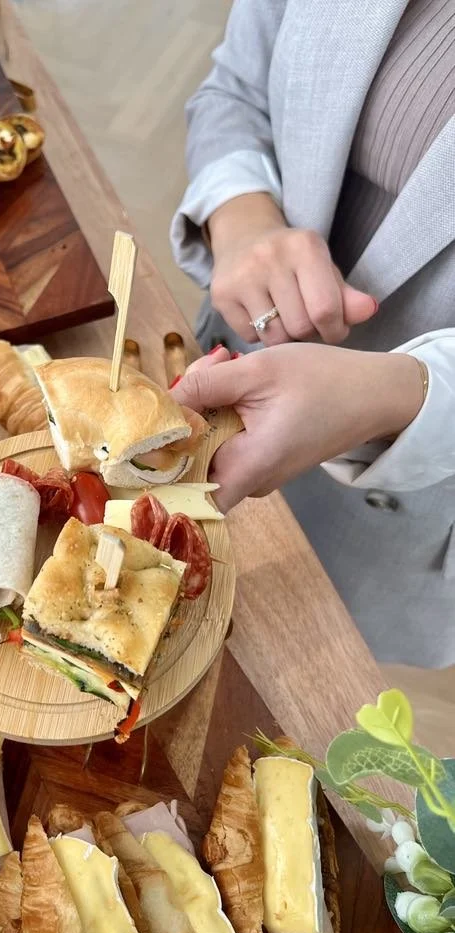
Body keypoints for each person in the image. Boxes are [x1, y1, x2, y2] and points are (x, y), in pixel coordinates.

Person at [169, 0, 455, 669]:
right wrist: (241, 215)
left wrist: (395, 395)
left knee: (287, 674)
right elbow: (236, 87)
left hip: (407, 493)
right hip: (231, 354)